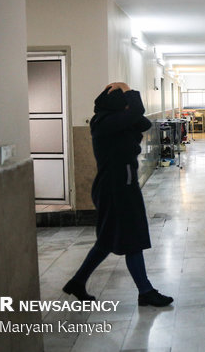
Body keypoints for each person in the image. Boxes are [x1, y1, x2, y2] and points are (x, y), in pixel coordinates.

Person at [63, 82, 173, 307]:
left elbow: (141, 122)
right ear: (118, 106)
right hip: (115, 187)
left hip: (120, 184)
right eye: (124, 105)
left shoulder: (114, 121)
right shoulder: (104, 122)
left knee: (106, 240)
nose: (127, 109)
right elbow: (137, 113)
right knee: (133, 238)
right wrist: (126, 89)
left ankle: (77, 282)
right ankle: (145, 291)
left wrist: (127, 101)